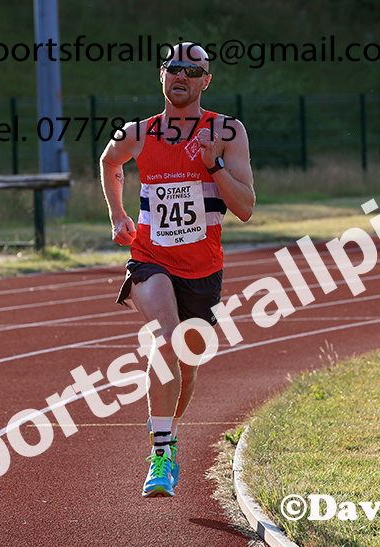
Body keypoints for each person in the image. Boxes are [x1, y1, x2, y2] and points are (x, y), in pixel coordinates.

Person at [100, 43, 254, 497]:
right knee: (166, 340)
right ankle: (161, 456)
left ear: (207, 80)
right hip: (151, 259)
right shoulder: (139, 132)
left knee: (186, 364)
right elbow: (109, 162)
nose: (181, 76)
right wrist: (117, 215)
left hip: (203, 269)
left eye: (193, 70)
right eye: (173, 69)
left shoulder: (227, 131)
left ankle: (165, 429)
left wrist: (214, 166)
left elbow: (244, 207)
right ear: (161, 75)